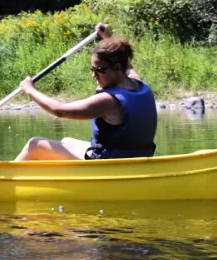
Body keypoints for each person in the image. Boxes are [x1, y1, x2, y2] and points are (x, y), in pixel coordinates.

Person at [14, 24, 156, 161]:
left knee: (34, 145)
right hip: (135, 159)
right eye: (92, 69)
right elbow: (127, 65)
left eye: (99, 70)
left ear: (117, 67)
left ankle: (7, 182)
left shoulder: (108, 101)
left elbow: (59, 110)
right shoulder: (138, 83)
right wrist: (107, 38)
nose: (94, 75)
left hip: (112, 164)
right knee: (66, 141)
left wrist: (30, 90)